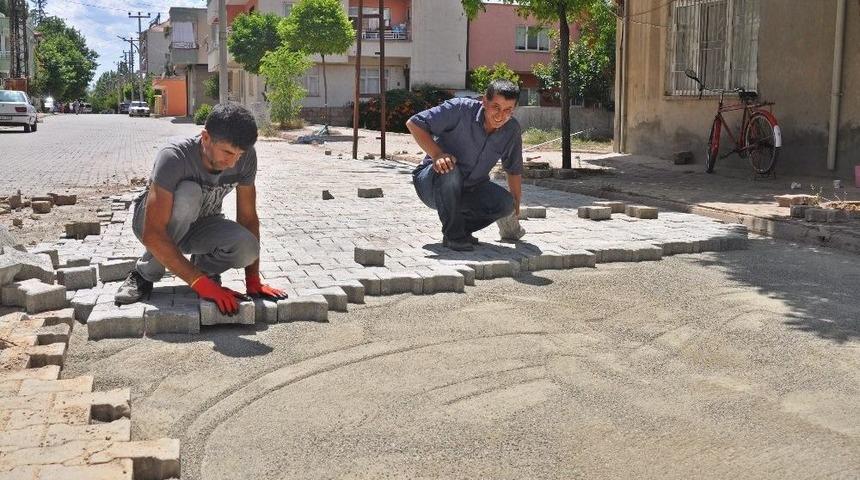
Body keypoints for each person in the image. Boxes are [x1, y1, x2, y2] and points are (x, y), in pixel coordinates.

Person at [114, 103, 288, 314]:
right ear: (206, 138)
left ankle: (206, 270)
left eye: (239, 155)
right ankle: (144, 275)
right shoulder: (175, 157)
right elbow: (153, 233)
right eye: (227, 152)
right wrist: (200, 285)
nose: (233, 163)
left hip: (202, 224)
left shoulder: (247, 158)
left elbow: (248, 218)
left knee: (248, 247)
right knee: (189, 194)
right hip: (154, 223)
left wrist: (253, 280)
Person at [406, 79, 523, 252]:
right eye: (496, 107)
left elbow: (513, 169)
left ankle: (460, 229)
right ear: (484, 101)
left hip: (470, 188)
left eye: (508, 110)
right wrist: (437, 154)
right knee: (449, 167)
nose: (500, 116)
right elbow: (414, 124)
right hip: (431, 184)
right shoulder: (459, 109)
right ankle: (454, 235)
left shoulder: (511, 130)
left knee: (506, 204)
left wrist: (516, 203)